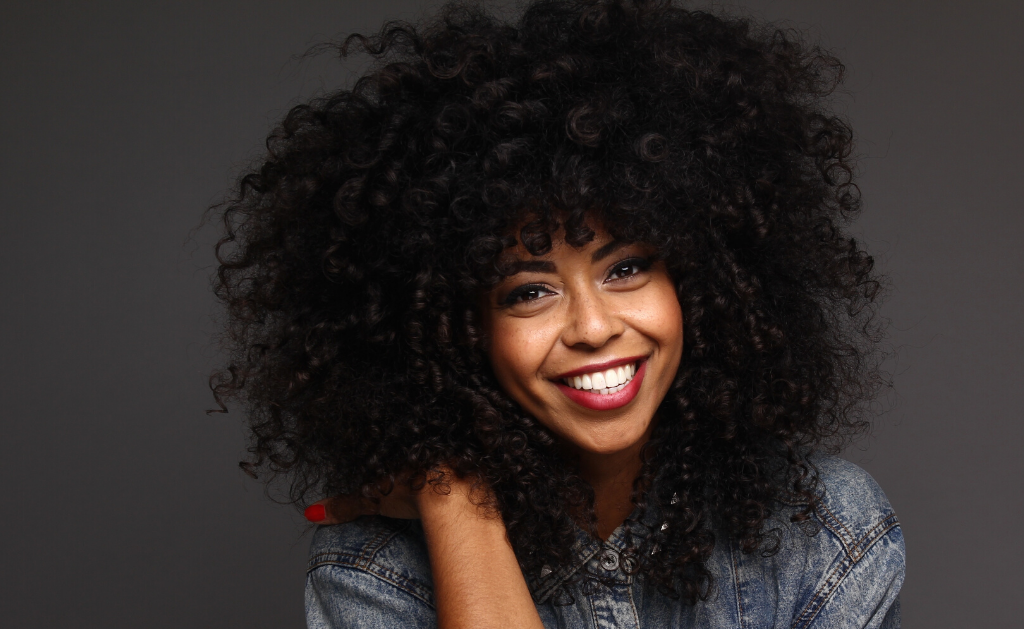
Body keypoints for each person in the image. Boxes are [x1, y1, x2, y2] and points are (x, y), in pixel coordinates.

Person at [210, 1, 905, 627]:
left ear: (701, 280)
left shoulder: (828, 531)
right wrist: (453, 495)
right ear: (454, 331)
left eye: (626, 267)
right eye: (527, 291)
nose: (593, 326)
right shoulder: (375, 568)